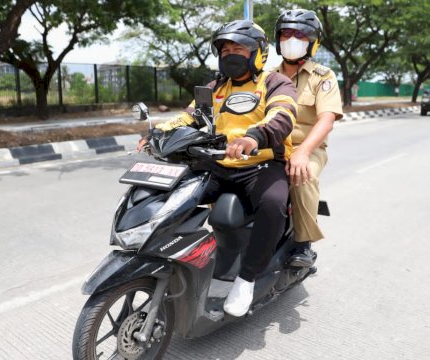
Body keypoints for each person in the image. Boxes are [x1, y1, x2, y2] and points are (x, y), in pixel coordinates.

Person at [138, 20, 297, 317]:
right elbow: (189, 118)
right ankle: (164, 258)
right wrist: (157, 133)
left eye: (238, 48)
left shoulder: (275, 82)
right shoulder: (215, 87)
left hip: (260, 165)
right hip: (219, 165)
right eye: (225, 49)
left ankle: (247, 278)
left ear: (258, 52)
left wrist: (255, 136)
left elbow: (283, 115)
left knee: (274, 204)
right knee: (171, 194)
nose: (230, 54)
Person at [271, 9, 343, 267]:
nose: (292, 39)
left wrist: (302, 153)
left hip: (307, 147)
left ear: (312, 41)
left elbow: (327, 119)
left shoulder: (323, 77)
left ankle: (303, 244)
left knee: (302, 174)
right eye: (286, 33)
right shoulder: (267, 76)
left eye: (300, 34)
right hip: (271, 147)